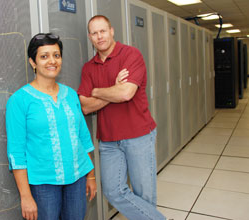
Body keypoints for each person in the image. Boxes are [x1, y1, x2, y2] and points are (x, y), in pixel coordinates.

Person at [78, 15, 167, 220]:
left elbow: (126, 94)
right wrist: (114, 90)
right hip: (108, 140)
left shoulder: (131, 55)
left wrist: (97, 92)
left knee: (144, 195)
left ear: (111, 31)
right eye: (94, 33)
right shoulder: (89, 68)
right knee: (113, 191)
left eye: (103, 31)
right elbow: (84, 106)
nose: (99, 36)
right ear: (90, 37)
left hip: (139, 135)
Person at [6, 33, 97, 220]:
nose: (52, 61)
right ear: (33, 62)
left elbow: (83, 138)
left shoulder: (71, 94)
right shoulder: (19, 100)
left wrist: (91, 177)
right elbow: (16, 152)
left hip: (77, 177)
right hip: (43, 184)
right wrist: (26, 197)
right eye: (44, 56)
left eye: (56, 55)